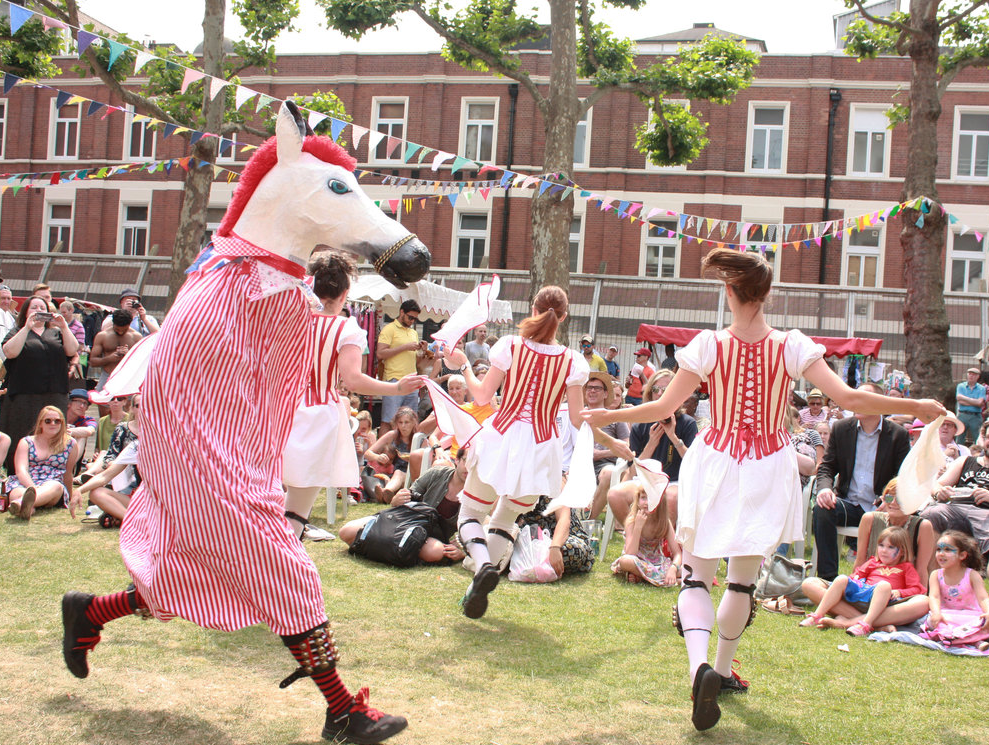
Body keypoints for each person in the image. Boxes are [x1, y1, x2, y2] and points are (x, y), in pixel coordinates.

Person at [582, 248, 944, 732]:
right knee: (741, 580)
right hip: (766, 462)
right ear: (767, 293)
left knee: (697, 575)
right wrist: (915, 404)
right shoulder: (791, 344)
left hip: (715, 460)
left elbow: (661, 406)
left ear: (728, 291)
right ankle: (724, 668)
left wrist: (610, 415)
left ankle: (700, 670)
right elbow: (849, 399)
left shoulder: (709, 344)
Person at [445, 286, 618, 619]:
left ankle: (482, 568)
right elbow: (580, 417)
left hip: (502, 437)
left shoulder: (510, 345)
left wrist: (464, 364)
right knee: (506, 518)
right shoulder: (572, 360)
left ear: (533, 307)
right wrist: (613, 437)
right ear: (564, 317)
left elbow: (481, 397)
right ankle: (477, 586)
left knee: (470, 515)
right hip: (540, 450)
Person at [281, 252, 424, 542]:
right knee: (296, 510)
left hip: (278, 410)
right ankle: (276, 566)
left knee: (273, 498)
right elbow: (352, 379)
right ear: (346, 293)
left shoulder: (288, 319)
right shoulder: (344, 328)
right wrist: (397, 388)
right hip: (317, 413)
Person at [813, 382, 912, 582]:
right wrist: (824, 488)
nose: (856, 403)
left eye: (863, 398)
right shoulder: (842, 429)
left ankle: (879, 580)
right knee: (822, 508)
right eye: (854, 397)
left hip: (880, 507)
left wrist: (890, 499)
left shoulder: (897, 435)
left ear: (879, 404)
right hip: (849, 504)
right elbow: (827, 466)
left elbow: (902, 476)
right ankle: (828, 579)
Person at [340, 450, 470, 565]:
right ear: (457, 460)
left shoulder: (478, 492)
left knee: (436, 551)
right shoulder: (437, 473)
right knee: (346, 531)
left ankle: (381, 547)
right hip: (404, 520)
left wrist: (463, 550)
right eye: (466, 460)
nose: (469, 467)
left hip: (429, 536)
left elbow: (481, 528)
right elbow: (410, 495)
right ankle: (390, 548)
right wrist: (396, 500)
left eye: (474, 464)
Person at [606, 370, 697, 528]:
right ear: (650, 393)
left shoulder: (687, 423)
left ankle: (665, 545)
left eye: (666, 389)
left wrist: (674, 438)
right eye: (656, 390)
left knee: (671, 497)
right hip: (645, 480)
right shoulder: (640, 424)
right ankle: (640, 540)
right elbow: (632, 470)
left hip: (674, 482)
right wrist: (651, 444)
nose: (660, 394)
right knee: (615, 494)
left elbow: (694, 463)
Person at [0, 295, 79, 471]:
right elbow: (9, 352)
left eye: (42, 308)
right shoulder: (17, 332)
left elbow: (72, 350)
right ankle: (18, 472)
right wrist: (27, 327)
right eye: (34, 308)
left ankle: (53, 469)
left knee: (53, 431)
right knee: (22, 433)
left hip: (55, 393)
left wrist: (64, 326)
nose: (38, 311)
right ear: (26, 312)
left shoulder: (56, 333)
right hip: (24, 394)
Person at [799, 526, 925, 636]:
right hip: (861, 597)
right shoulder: (872, 563)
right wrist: (848, 583)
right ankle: (817, 616)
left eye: (891, 547)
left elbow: (918, 589)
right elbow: (856, 576)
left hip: (883, 602)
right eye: (881, 545)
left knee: (922, 601)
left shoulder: (906, 567)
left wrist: (900, 592)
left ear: (902, 551)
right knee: (814, 582)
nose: (884, 550)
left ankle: (855, 623)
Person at [5, 406, 81, 520]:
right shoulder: (26, 442)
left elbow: (68, 473)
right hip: (25, 482)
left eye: (57, 421)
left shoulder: (70, 444)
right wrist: (32, 488)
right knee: (17, 492)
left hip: (52, 485)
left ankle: (24, 503)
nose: (53, 423)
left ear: (62, 423)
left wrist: (70, 497)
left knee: (54, 486)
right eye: (48, 421)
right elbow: (21, 471)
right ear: (40, 423)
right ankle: (28, 508)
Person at [920, 530, 989, 649]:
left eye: (947, 550)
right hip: (946, 614)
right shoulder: (936, 575)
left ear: (962, 555)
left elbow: (983, 597)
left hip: (970, 615)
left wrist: (988, 612)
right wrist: (936, 613)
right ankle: (971, 640)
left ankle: (968, 640)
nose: (941, 554)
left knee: (980, 622)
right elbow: (934, 596)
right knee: (935, 621)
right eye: (938, 549)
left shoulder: (972, 575)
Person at [925, 444, 989, 563]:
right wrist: (939, 492)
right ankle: (933, 573)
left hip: (985, 513)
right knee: (932, 512)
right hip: (957, 509)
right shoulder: (965, 461)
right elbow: (937, 485)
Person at [612, 484, 681, 586]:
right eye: (643, 498)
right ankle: (670, 580)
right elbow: (630, 553)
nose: (646, 502)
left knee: (686, 569)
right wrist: (638, 528)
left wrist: (673, 569)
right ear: (638, 500)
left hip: (658, 563)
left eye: (651, 498)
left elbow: (678, 553)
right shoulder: (632, 521)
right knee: (625, 562)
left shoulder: (664, 522)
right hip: (637, 561)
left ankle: (642, 577)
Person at [584, 371, 630, 520]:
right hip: (575, 462)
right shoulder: (576, 415)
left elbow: (627, 444)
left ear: (605, 394)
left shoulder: (615, 417)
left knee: (610, 473)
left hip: (603, 464)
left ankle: (588, 521)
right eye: (589, 387)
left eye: (596, 388)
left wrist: (600, 453)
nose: (592, 390)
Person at [515, 495, 595, 576]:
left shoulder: (556, 484)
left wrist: (555, 547)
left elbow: (564, 519)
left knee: (572, 550)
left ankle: (532, 562)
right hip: (527, 539)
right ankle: (537, 562)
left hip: (562, 537)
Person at [376, 299, 423, 435]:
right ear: (401, 312)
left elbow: (416, 360)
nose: (412, 321)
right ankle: (381, 452)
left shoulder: (413, 333)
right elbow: (380, 353)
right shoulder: (389, 329)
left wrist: (422, 351)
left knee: (410, 421)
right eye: (410, 317)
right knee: (389, 420)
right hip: (394, 380)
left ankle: (404, 452)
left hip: (411, 380)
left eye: (415, 319)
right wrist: (405, 347)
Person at [364, 407, 418, 503]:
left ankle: (385, 492)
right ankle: (386, 494)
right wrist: (378, 457)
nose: (403, 426)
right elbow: (368, 453)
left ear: (413, 423)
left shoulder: (418, 438)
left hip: (411, 476)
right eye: (400, 423)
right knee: (393, 474)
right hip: (390, 474)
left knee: (399, 473)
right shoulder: (392, 435)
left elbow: (427, 460)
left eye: (406, 422)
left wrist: (412, 459)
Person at [89, 310, 143, 393]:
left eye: (124, 330)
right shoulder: (103, 336)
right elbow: (92, 362)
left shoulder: (136, 337)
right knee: (102, 402)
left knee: (128, 404)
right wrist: (109, 359)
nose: (120, 332)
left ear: (130, 324)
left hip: (128, 378)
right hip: (107, 375)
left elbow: (143, 363)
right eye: (117, 329)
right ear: (113, 323)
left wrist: (129, 355)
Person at [956, 367, 986, 445]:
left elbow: (980, 403)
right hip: (962, 415)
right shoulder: (961, 386)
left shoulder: (981, 388)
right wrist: (974, 402)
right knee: (959, 438)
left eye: (974, 374)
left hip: (975, 416)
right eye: (970, 374)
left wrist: (964, 398)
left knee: (978, 438)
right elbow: (959, 400)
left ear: (978, 376)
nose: (971, 376)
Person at [66, 388, 97, 455]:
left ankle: (71, 464)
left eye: (85, 403)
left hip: (72, 454)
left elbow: (89, 431)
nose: (82, 406)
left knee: (82, 436)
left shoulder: (88, 420)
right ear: (69, 403)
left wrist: (66, 431)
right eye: (78, 401)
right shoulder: (58, 417)